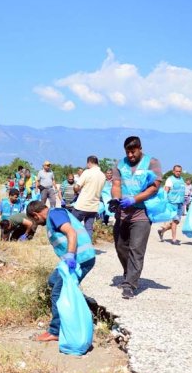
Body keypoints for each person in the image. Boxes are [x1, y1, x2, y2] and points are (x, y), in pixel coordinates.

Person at [26, 201, 96, 342]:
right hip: (73, 260)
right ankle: (86, 304)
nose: (37, 223)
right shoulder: (54, 216)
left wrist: (70, 254)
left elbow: (71, 232)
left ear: (36, 214)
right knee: (53, 281)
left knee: (58, 292)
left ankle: (55, 331)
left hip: (80, 259)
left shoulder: (55, 214)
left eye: (35, 220)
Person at [111, 136, 163, 299]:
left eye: (133, 152)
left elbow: (154, 188)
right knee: (120, 246)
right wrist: (116, 199)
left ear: (140, 148)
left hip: (141, 214)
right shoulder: (120, 164)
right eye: (128, 152)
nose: (130, 155)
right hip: (122, 213)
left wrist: (134, 199)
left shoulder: (151, 163)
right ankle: (129, 273)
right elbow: (116, 185)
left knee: (136, 249)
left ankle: (130, 284)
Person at [72, 155, 106, 239]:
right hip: (94, 206)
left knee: (72, 224)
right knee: (89, 228)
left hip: (82, 204)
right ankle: (88, 248)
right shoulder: (103, 175)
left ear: (89, 163)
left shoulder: (87, 172)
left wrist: (76, 191)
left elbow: (77, 186)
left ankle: (73, 244)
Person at [157, 165, 186, 245]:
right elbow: (166, 191)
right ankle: (174, 240)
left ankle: (162, 231)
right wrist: (164, 201)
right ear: (173, 171)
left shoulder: (181, 179)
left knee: (177, 222)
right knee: (174, 220)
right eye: (176, 171)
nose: (178, 173)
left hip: (180, 203)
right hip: (172, 203)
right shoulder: (170, 179)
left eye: (179, 171)